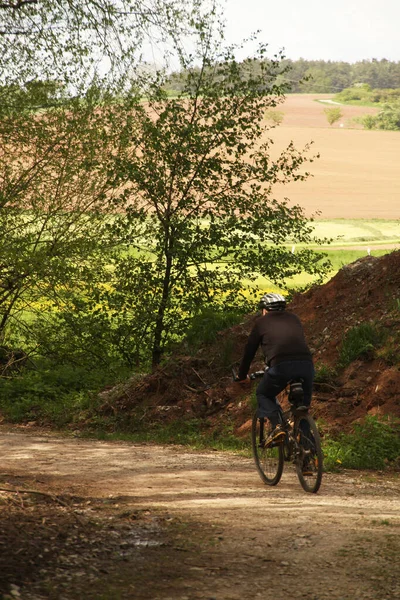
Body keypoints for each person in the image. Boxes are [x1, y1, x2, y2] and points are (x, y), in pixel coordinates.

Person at [236, 292, 314, 445]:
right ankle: (308, 460)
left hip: (281, 367)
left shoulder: (261, 323)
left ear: (265, 309)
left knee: (263, 393)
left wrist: (242, 375)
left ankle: (277, 426)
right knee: (302, 409)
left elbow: (249, 352)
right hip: (306, 366)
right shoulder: (294, 319)